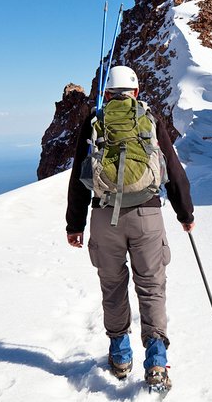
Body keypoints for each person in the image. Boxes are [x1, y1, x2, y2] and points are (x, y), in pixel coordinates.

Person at [65, 65, 195, 390]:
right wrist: (185, 213)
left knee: (112, 286)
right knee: (151, 287)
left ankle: (120, 357)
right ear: (135, 92)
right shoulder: (149, 120)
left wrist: (74, 224)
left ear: (107, 93)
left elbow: (79, 178)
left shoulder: (95, 122)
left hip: (104, 217)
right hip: (147, 216)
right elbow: (174, 171)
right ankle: (156, 363)